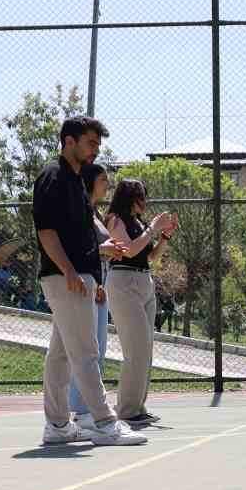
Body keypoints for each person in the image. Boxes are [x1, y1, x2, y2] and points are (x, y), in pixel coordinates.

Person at [33, 115, 146, 447]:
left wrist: (102, 248)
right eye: (91, 143)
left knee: (61, 354)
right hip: (66, 278)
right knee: (85, 351)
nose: (96, 150)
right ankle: (104, 422)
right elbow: (47, 231)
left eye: (98, 144)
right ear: (69, 141)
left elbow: (75, 232)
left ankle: (56, 425)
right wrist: (69, 270)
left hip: (75, 274)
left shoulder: (75, 180)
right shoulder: (53, 176)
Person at [104, 177, 177, 426]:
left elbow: (150, 257)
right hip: (123, 283)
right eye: (141, 197)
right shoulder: (115, 219)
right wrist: (153, 229)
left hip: (144, 282)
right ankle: (126, 409)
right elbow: (129, 250)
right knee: (135, 350)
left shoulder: (139, 223)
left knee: (146, 350)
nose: (145, 202)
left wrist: (164, 237)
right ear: (130, 198)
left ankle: (137, 406)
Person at [68, 164, 123, 424]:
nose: (108, 185)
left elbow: (94, 249)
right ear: (90, 181)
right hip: (82, 286)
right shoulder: (79, 211)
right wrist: (105, 249)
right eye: (103, 180)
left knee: (97, 350)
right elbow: (80, 247)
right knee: (86, 350)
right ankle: (81, 411)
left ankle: (87, 408)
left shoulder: (94, 213)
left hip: (96, 286)